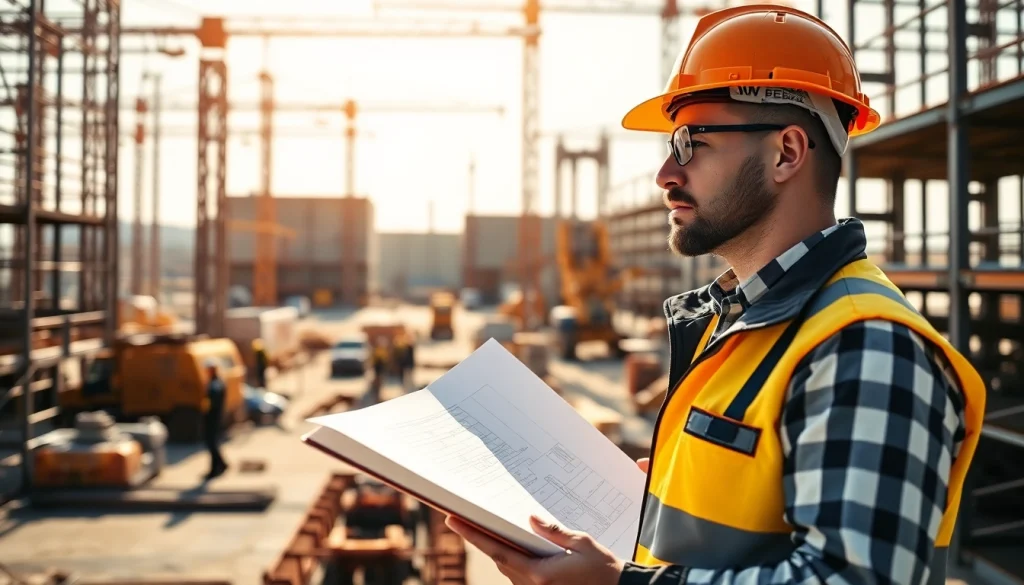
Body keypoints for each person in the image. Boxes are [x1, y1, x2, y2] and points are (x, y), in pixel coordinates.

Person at [444, 5, 987, 585]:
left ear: (786, 153)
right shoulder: (738, 325)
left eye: (689, 141)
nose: (665, 174)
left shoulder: (867, 346)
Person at [203, 360, 228, 479]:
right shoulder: (215, 382)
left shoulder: (216, 384)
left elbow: (213, 401)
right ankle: (222, 464)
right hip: (214, 416)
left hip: (214, 417)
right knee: (213, 442)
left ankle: (215, 469)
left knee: (212, 442)